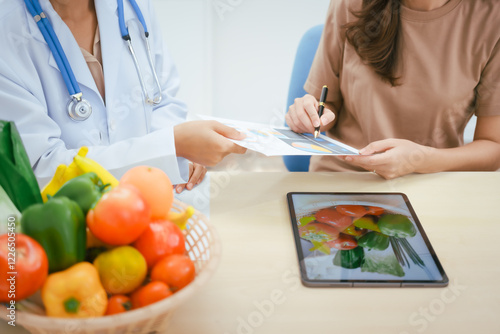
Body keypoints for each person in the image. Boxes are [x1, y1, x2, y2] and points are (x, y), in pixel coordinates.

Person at [0, 0, 246, 192]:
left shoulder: (132, 6)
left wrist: (181, 153)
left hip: (150, 204)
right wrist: (172, 146)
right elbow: (42, 170)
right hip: (67, 222)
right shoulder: (8, 33)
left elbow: (161, 98)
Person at [286, 0, 500, 179]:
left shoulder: (492, 18)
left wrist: (421, 160)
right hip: (342, 178)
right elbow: (327, 104)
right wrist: (310, 116)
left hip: (430, 181)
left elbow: (493, 147)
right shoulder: (352, 3)